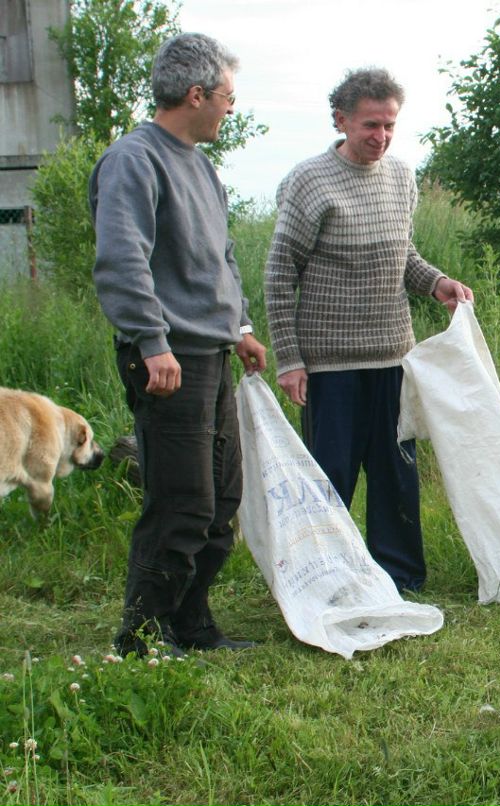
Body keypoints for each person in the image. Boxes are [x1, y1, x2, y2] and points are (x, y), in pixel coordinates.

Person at [264, 67, 473, 594]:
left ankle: (398, 575)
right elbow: (278, 271)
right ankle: (326, 580)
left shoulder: (402, 176)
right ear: (341, 121)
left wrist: (437, 283)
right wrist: (289, 360)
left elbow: (403, 254)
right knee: (331, 479)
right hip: (330, 365)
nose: (380, 137)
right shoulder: (310, 181)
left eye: (389, 126)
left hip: (393, 358)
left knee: (396, 476)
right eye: (370, 125)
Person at [91, 32, 266, 656]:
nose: (229, 109)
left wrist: (240, 327)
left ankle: (190, 625)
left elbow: (221, 259)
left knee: (222, 503)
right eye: (227, 98)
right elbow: (121, 260)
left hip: (210, 355)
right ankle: (138, 638)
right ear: (196, 94)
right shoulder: (134, 160)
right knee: (181, 504)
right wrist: (150, 339)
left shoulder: (203, 166)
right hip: (167, 360)